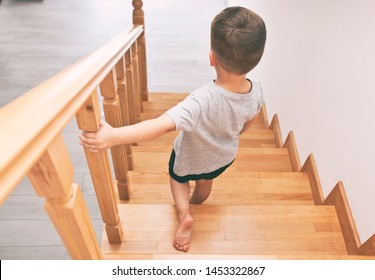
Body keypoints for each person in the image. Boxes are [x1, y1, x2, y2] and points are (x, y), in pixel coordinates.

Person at [79, 6, 266, 253]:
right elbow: (249, 121)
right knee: (206, 179)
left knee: (178, 179)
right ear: (254, 62)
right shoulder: (257, 91)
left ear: (212, 57)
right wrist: (233, 134)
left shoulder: (200, 100)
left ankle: (185, 213)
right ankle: (196, 201)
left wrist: (113, 136)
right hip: (223, 156)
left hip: (190, 156)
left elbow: (158, 126)